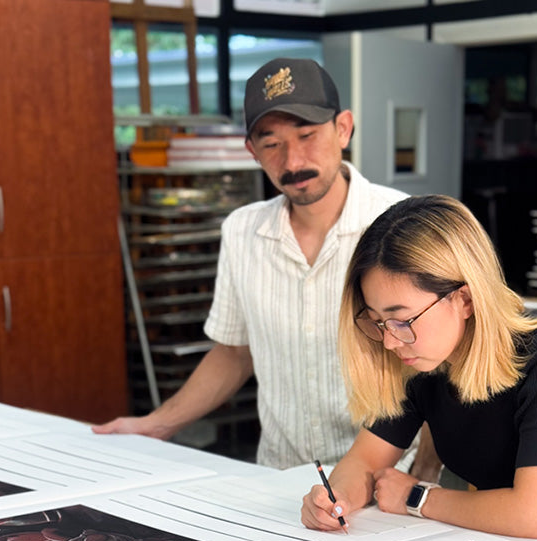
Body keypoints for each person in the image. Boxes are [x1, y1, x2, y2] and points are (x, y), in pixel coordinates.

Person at [93, 58, 410, 470]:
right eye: (271, 143)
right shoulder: (241, 232)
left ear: (343, 129)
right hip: (279, 478)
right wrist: (157, 425)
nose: (293, 161)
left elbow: (447, 364)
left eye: (307, 135)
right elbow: (234, 353)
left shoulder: (405, 221)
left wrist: (421, 475)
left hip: (389, 481)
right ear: (251, 151)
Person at [301, 193, 537, 541]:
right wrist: (336, 500)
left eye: (402, 320)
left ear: (465, 299)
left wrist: (417, 497)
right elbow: (365, 460)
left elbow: (531, 514)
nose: (390, 341)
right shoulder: (420, 361)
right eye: (378, 322)